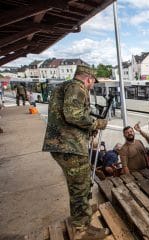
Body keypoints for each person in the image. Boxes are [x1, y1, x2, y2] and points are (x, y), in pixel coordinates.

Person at [42, 65, 109, 239]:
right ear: (88, 79)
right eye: (93, 82)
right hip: (70, 146)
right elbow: (73, 115)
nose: (92, 86)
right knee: (79, 187)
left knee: (82, 181)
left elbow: (67, 117)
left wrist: (87, 130)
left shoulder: (64, 86)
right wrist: (96, 124)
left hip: (65, 144)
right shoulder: (77, 87)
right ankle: (81, 228)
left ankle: (83, 211)